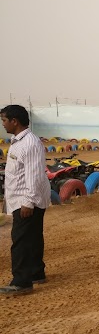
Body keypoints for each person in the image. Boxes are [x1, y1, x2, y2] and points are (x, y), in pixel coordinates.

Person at [0, 105, 51, 295]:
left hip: (27, 199)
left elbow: (34, 174)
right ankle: (36, 272)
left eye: (4, 120)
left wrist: (28, 201)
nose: (3, 124)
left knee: (20, 240)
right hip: (23, 197)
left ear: (15, 121)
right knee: (33, 237)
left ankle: (21, 282)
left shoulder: (29, 143)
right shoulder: (18, 141)